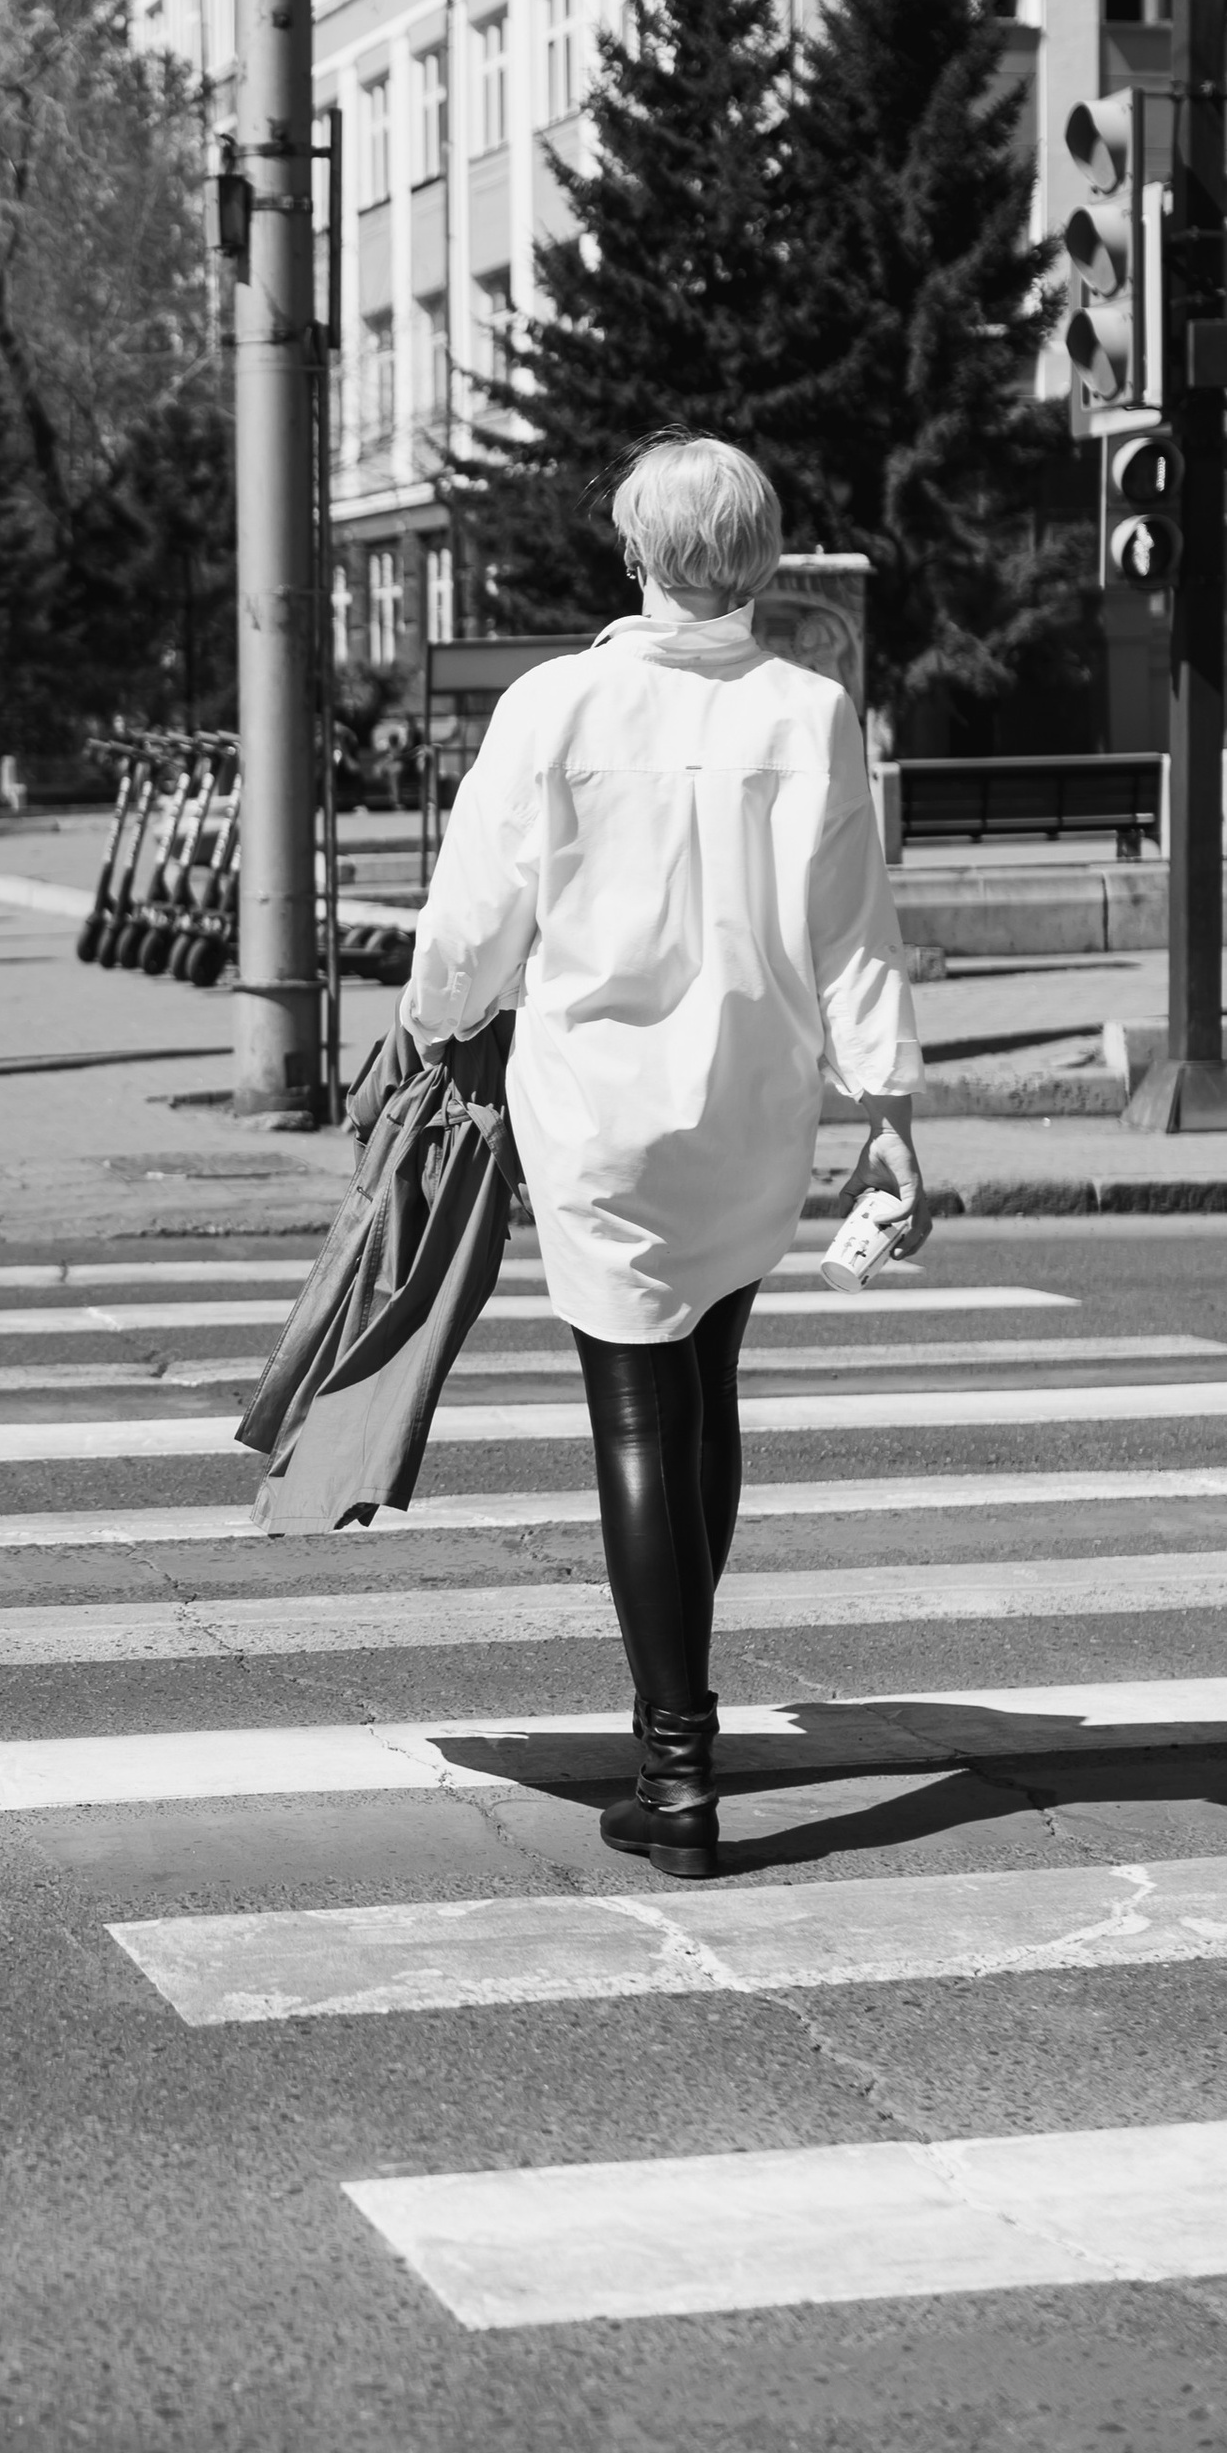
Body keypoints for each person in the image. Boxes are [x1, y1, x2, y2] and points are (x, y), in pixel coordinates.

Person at [398, 432, 928, 1881]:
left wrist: (431, 1021)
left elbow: (472, 915)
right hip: (754, 1103)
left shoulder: (557, 701)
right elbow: (852, 925)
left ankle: (679, 1770)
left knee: (636, 1417)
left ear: (636, 551)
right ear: (759, 559)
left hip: (602, 1109)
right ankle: (683, 1730)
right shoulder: (814, 710)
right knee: (705, 1395)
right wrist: (886, 1100)